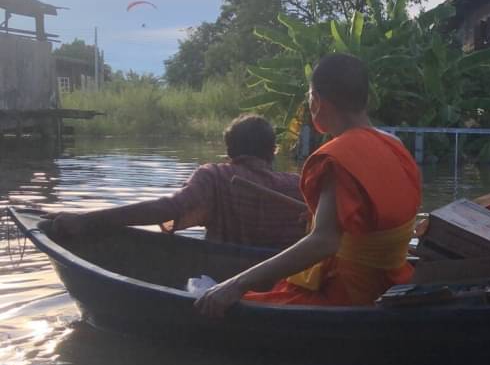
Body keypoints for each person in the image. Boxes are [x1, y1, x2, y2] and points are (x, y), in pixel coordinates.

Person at [194, 53, 421, 316]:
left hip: (352, 293)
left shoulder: (338, 157)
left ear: (317, 102)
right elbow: (378, 219)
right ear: (365, 99)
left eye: (310, 96)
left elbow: (324, 242)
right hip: (395, 280)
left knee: (236, 296)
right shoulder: (396, 146)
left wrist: (236, 283)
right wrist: (321, 215)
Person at [47, 115, 306, 250]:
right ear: (273, 150)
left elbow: (168, 209)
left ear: (229, 153)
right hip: (281, 284)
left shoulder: (215, 176)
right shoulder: (299, 185)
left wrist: (86, 220)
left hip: (222, 280)